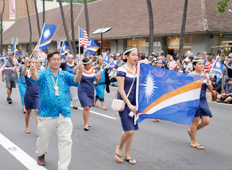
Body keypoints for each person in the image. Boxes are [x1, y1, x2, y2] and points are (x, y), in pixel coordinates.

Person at [30, 51, 83, 169]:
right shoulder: (43, 73)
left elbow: (75, 80)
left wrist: (80, 71)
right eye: (54, 59)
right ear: (48, 61)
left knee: (66, 141)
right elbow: (36, 78)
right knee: (43, 138)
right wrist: (33, 71)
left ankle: (63, 167)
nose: (56, 61)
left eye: (58, 59)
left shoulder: (64, 74)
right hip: (46, 113)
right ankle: (41, 153)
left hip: (64, 113)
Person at [114, 48, 138, 165]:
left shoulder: (137, 70)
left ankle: (127, 154)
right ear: (126, 56)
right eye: (133, 55)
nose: (136, 57)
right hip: (125, 103)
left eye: (137, 55)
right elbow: (121, 89)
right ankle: (119, 147)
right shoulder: (121, 69)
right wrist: (129, 104)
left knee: (132, 131)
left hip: (135, 104)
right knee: (129, 130)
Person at [187, 57, 213, 150]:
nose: (202, 65)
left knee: (206, 121)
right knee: (195, 121)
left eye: (202, 64)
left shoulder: (205, 75)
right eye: (199, 64)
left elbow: (211, 90)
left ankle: (191, 131)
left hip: (202, 99)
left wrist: (208, 81)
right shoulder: (191, 75)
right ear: (194, 65)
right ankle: (194, 142)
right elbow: (186, 88)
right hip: (194, 99)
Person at [74, 57, 101, 131]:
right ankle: (86, 124)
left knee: (88, 107)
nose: (90, 66)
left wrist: (98, 76)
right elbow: (74, 72)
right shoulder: (81, 71)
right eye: (88, 65)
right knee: (86, 107)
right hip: (82, 91)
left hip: (90, 91)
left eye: (90, 64)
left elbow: (96, 80)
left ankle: (86, 121)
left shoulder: (93, 71)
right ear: (84, 65)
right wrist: (79, 64)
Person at [22, 57, 40, 134]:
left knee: (36, 111)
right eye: (33, 62)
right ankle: (27, 126)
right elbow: (23, 73)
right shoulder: (27, 71)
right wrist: (25, 65)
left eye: (36, 62)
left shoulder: (40, 72)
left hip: (37, 94)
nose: (34, 64)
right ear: (30, 63)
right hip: (29, 94)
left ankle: (39, 130)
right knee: (28, 111)